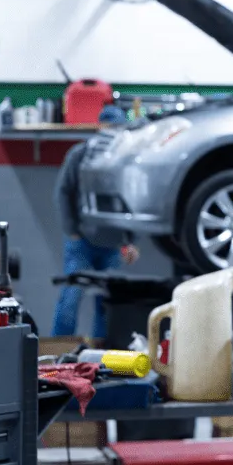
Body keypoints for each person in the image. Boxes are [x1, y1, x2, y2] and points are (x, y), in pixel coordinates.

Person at [52, 104, 139, 337]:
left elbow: (132, 201)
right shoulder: (80, 155)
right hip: (82, 242)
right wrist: (72, 230)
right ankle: (60, 351)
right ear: (99, 126)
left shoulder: (127, 160)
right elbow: (63, 192)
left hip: (112, 245)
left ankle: (103, 355)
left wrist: (130, 240)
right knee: (70, 300)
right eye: (109, 126)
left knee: (107, 305)